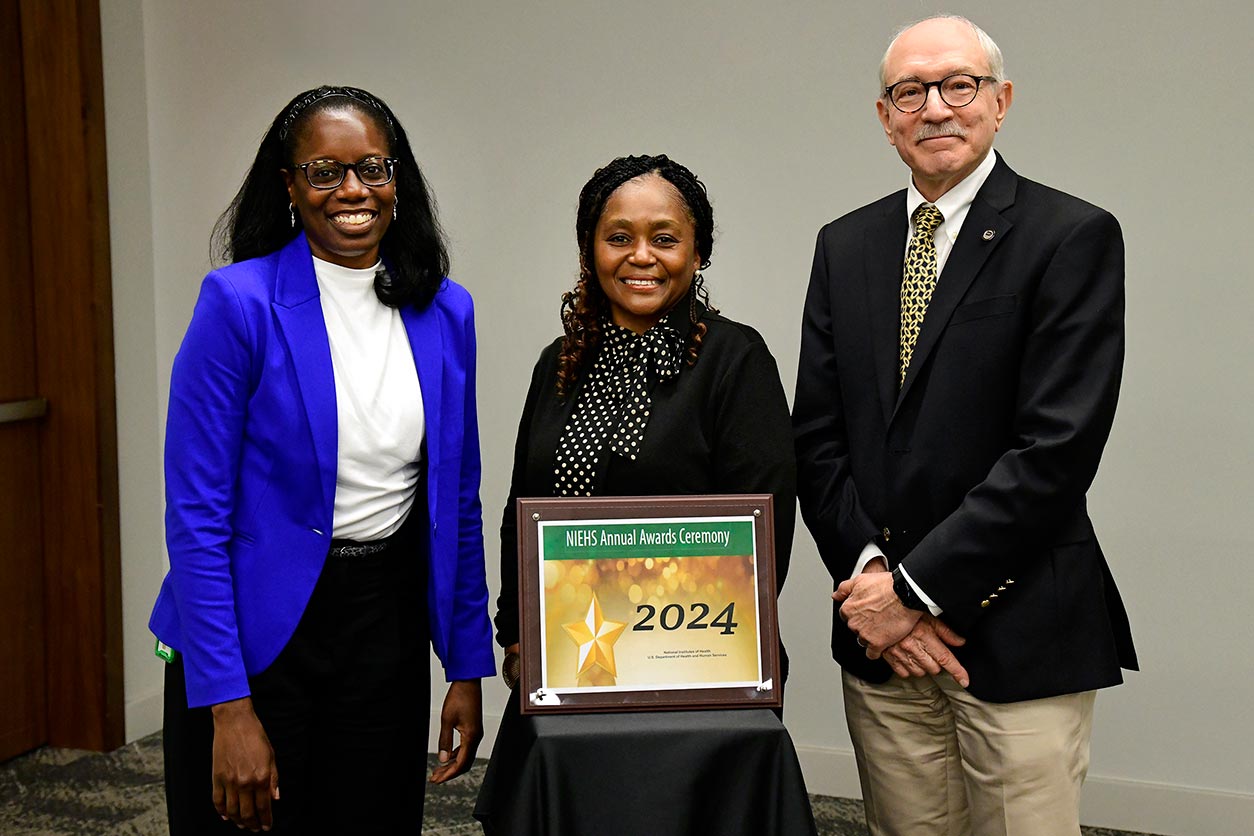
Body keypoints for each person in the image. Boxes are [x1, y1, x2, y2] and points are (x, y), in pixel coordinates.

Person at [792, 16, 1138, 836]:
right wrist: (878, 585)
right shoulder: (845, 246)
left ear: (1000, 101)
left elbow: (1055, 452)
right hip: (884, 647)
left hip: (1018, 637)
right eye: (911, 91)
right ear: (886, 117)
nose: (936, 108)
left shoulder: (1071, 236)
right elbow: (817, 439)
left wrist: (913, 593)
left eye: (959, 85)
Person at [148, 85, 495, 834]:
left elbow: (455, 501)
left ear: (397, 179)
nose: (352, 191)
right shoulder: (237, 303)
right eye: (324, 172)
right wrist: (228, 708)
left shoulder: (448, 310)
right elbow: (197, 519)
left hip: (384, 624)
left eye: (372, 167)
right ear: (289, 186)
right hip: (254, 629)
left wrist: (466, 664)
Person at [477, 154, 797, 830]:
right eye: (618, 237)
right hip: (569, 668)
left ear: (698, 250)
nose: (641, 256)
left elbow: (765, 537)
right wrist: (515, 634)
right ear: (591, 249)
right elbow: (519, 511)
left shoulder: (735, 361)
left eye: (665, 237)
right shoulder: (558, 363)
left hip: (693, 674)